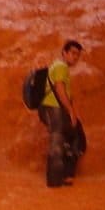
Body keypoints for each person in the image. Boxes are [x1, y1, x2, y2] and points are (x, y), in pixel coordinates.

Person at [39, 40, 84, 187]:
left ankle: (64, 176)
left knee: (70, 137)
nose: (75, 57)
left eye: (78, 55)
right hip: (54, 107)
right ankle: (56, 179)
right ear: (64, 53)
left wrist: (73, 112)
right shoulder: (60, 66)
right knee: (58, 139)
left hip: (53, 107)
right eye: (73, 53)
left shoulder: (59, 67)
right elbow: (59, 88)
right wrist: (70, 111)